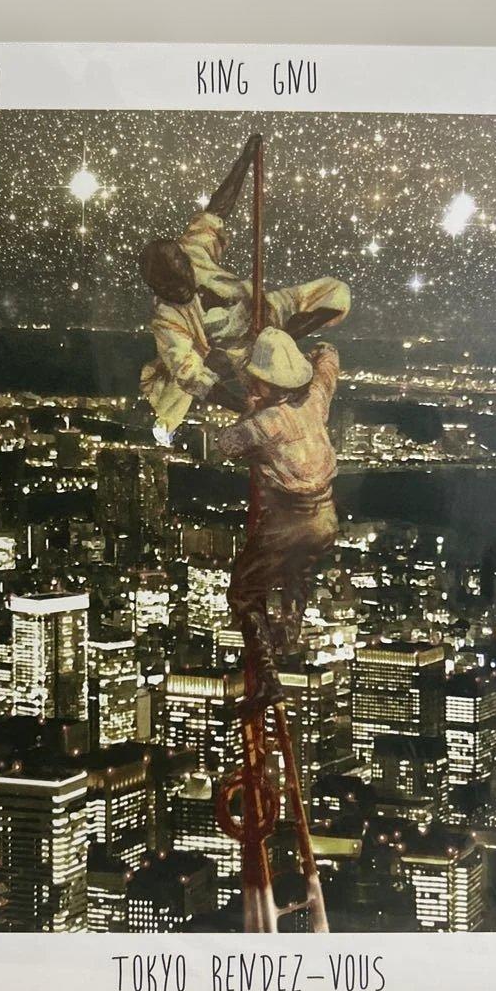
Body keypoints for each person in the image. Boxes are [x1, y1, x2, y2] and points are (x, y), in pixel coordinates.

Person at [138, 135, 350, 433]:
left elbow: (217, 209)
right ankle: (271, 347)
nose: (182, 287)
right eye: (171, 286)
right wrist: (242, 407)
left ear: (184, 260)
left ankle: (283, 335)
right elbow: (193, 376)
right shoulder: (167, 319)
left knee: (336, 293)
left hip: (265, 307)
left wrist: (245, 160)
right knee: (275, 386)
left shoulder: (194, 250)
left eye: (183, 273)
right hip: (241, 349)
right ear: (158, 288)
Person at [217, 327, 341, 706]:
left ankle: (269, 681)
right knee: (297, 570)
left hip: (288, 520)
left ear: (266, 384)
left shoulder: (267, 422)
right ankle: (288, 637)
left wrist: (251, 409)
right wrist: (308, 355)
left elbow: (225, 444)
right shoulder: (316, 398)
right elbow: (328, 353)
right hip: (326, 518)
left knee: (244, 593)